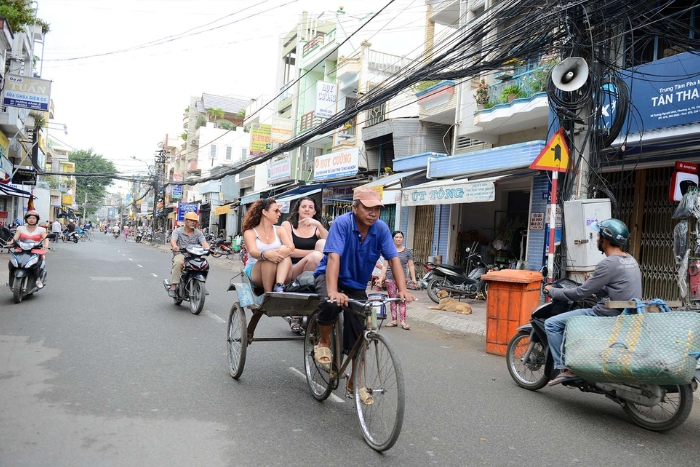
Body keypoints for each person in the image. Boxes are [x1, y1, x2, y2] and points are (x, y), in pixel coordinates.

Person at [313, 186, 415, 404]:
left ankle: (356, 381)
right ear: (355, 208)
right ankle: (323, 342)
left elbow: (394, 260)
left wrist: (403, 289)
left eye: (377, 209)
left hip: (356, 284)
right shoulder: (342, 224)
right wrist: (333, 290)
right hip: (331, 276)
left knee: (362, 332)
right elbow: (333, 259)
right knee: (330, 303)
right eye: (368, 208)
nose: (373, 213)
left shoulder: (381, 229)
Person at [544, 218, 642, 386]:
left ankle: (565, 368)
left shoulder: (608, 263)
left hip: (608, 314)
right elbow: (613, 289)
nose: (596, 239)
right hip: (627, 312)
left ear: (605, 240)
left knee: (552, 324)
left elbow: (580, 293)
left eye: (598, 236)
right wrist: (595, 283)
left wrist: (552, 291)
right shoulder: (631, 260)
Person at [280, 196, 328, 333]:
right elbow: (291, 251)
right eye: (304, 206)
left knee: (322, 244)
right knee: (316, 255)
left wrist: (319, 225)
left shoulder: (317, 228)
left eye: (310, 207)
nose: (307, 210)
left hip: (313, 269)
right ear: (298, 209)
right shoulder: (287, 225)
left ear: (314, 212)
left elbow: (332, 245)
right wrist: (312, 253)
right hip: (292, 269)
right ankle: (296, 314)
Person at [242, 198, 295, 293]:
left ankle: (279, 285)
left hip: (280, 272)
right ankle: (268, 293)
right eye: (276, 211)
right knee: (268, 260)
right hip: (256, 270)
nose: (279, 214)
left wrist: (283, 251)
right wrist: (266, 254)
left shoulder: (280, 230)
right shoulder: (250, 232)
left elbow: (291, 246)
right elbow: (253, 252)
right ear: (265, 213)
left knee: (285, 254)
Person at [379, 231, 417, 330]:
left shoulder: (407, 252)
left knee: (402, 299)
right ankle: (394, 320)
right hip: (390, 279)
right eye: (396, 237)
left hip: (402, 280)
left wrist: (413, 278)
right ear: (393, 239)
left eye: (400, 237)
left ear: (403, 239)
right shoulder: (389, 250)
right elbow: (385, 266)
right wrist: (381, 277)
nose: (399, 239)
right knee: (392, 300)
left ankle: (403, 321)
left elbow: (411, 265)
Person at [168, 212, 210, 297]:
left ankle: (201, 284)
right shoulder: (177, 231)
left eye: (194, 221)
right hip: (181, 254)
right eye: (191, 220)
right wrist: (175, 246)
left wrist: (208, 249)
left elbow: (204, 243)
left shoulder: (198, 233)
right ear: (185, 221)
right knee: (178, 263)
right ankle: (174, 285)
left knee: (205, 265)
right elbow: (173, 240)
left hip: (195, 256)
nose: (193, 222)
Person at [12, 210, 49, 288]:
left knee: (36, 263)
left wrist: (46, 244)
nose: (31, 219)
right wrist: (10, 243)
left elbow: (46, 239)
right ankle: (12, 277)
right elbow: (15, 238)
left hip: (36, 250)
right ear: (26, 219)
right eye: (29, 218)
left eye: (33, 218)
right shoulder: (20, 228)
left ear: (36, 220)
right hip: (21, 249)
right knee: (13, 261)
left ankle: (38, 278)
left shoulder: (41, 229)